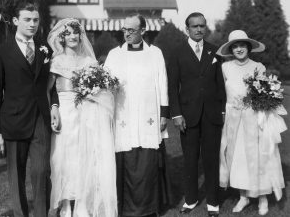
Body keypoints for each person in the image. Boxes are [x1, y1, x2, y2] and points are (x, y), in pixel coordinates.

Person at [0, 1, 60, 217]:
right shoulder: (1, 52)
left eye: (36, 20)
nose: (32, 24)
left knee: (41, 171)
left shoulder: (45, 49)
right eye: (28, 19)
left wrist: (55, 106)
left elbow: (53, 83)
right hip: (13, 121)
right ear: (15, 21)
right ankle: (20, 214)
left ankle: (41, 214)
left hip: (40, 118)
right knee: (16, 174)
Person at [47, 18, 117, 217]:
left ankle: (82, 203)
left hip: (86, 113)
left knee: (85, 157)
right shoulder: (56, 61)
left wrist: (94, 92)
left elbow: (100, 88)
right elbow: (48, 90)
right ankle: (66, 204)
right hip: (65, 113)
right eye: (67, 33)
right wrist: (53, 109)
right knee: (64, 158)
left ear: (80, 35)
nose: (72, 36)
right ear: (61, 37)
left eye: (75, 33)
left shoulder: (89, 61)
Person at [104, 13, 169, 217]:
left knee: (147, 160)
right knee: (126, 158)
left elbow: (163, 82)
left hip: (148, 115)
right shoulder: (114, 54)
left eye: (131, 30)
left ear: (143, 30)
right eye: (124, 29)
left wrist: (164, 113)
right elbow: (105, 83)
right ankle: (126, 206)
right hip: (123, 115)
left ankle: (149, 206)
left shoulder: (155, 53)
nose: (127, 34)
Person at [217, 30, 287, 215]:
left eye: (242, 45)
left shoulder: (259, 66)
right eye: (235, 46)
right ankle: (244, 197)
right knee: (237, 157)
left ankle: (262, 199)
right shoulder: (225, 68)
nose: (239, 49)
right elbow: (221, 94)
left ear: (249, 47)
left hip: (254, 119)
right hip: (233, 119)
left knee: (259, 157)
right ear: (231, 49)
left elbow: (263, 93)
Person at [167, 12, 226, 217]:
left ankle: (213, 202)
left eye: (202, 26)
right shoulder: (177, 52)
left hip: (211, 114)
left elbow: (220, 84)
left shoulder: (214, 51)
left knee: (211, 159)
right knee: (190, 159)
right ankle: (191, 200)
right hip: (187, 115)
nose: (199, 29)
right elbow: (172, 86)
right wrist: (176, 114)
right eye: (195, 26)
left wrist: (222, 109)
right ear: (187, 29)